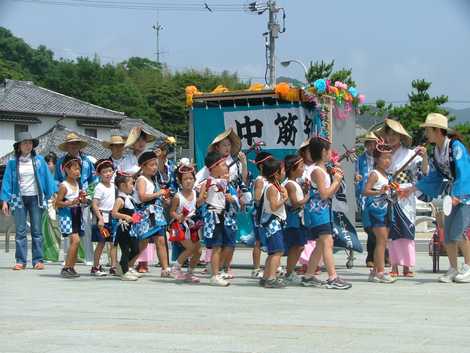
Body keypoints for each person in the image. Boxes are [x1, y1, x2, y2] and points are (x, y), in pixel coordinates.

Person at [414, 113, 470, 283]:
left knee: (459, 233)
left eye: (428, 130)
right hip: (451, 194)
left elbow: (465, 173)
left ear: (438, 131)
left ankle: (468, 267)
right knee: (448, 235)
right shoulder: (437, 151)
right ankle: (453, 268)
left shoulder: (456, 147)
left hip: (464, 195)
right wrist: (414, 188)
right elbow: (435, 177)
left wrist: (458, 196)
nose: (426, 134)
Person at [376, 118, 428, 277]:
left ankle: (407, 266)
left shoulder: (411, 154)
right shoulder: (382, 153)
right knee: (392, 231)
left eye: (394, 134)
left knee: (407, 229)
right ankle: (394, 265)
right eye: (388, 134)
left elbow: (424, 173)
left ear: (400, 136)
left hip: (406, 194)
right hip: (390, 195)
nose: (390, 137)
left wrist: (424, 157)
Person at [196, 128, 247, 279]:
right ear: (217, 147)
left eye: (229, 145)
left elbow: (242, 181)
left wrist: (243, 163)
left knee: (230, 240)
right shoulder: (211, 166)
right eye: (224, 145)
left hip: (230, 205)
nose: (227, 148)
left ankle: (224, 266)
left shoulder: (235, 163)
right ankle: (215, 268)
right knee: (216, 242)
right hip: (215, 208)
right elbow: (199, 184)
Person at [1, 132, 56, 270]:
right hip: (18, 198)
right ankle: (20, 260)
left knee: (37, 231)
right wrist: (5, 201)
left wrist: (52, 194)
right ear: (19, 146)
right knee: (20, 231)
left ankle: (38, 260)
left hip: (36, 198)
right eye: (24, 143)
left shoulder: (39, 160)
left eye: (30, 143)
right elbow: (7, 181)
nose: (28, 145)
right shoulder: (13, 162)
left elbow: (48, 178)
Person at [302, 136, 352, 290]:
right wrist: (336, 180)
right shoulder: (317, 170)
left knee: (320, 243)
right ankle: (332, 277)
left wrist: (336, 178)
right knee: (327, 242)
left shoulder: (322, 169)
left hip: (322, 211)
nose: (331, 153)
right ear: (323, 151)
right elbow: (324, 194)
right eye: (329, 150)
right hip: (318, 211)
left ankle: (309, 275)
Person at [56, 132, 97, 266]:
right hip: (68, 196)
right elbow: (55, 179)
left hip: (83, 197)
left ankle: (89, 257)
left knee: (86, 226)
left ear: (79, 146)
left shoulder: (87, 161)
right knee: (68, 230)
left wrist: (89, 194)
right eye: (70, 144)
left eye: (75, 144)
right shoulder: (60, 162)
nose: (73, 146)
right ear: (67, 146)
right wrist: (61, 190)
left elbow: (93, 179)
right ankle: (68, 257)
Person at [199, 151, 239, 286]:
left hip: (222, 215)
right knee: (216, 246)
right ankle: (215, 275)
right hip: (213, 216)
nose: (225, 166)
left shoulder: (223, 182)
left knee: (221, 245)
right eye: (222, 164)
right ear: (213, 167)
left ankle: (216, 269)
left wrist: (230, 198)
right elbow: (199, 202)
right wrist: (203, 196)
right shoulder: (208, 182)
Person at [362, 142, 397, 283]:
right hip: (376, 210)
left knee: (382, 241)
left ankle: (376, 271)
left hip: (385, 210)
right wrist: (379, 191)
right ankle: (380, 272)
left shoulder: (386, 174)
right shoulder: (374, 174)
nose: (388, 161)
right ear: (377, 159)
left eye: (389, 158)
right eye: (384, 158)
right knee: (381, 241)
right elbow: (365, 191)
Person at [133, 151, 170, 276]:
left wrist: (163, 199)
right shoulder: (141, 179)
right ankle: (128, 265)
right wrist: (158, 194)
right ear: (143, 166)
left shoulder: (154, 180)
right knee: (143, 242)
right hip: (145, 215)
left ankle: (165, 268)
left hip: (156, 214)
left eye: (156, 165)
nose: (155, 167)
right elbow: (142, 197)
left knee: (160, 240)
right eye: (152, 165)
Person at [168, 162, 202, 283]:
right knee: (190, 248)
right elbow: (171, 212)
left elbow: (197, 204)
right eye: (185, 179)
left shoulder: (195, 193)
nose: (188, 181)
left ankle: (190, 273)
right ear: (179, 181)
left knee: (198, 251)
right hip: (179, 226)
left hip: (192, 226)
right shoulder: (178, 196)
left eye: (191, 178)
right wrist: (179, 217)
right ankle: (175, 268)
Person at [56, 155, 88, 278]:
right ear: (66, 170)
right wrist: (70, 202)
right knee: (75, 240)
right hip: (67, 216)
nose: (77, 171)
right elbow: (57, 203)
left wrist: (82, 199)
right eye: (74, 169)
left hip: (76, 214)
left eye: (78, 169)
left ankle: (71, 267)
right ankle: (66, 267)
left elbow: (79, 200)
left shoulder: (77, 183)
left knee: (75, 241)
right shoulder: (64, 185)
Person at [259, 158, 288, 288]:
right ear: (276, 173)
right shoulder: (272, 188)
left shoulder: (275, 186)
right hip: (273, 222)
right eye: (281, 170)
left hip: (274, 221)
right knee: (278, 251)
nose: (284, 172)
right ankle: (271, 278)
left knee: (273, 252)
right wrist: (284, 199)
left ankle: (266, 277)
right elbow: (275, 206)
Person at [355, 132, 383, 268]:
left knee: (381, 227)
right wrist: (356, 177)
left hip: (381, 196)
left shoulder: (381, 158)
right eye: (370, 143)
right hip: (365, 197)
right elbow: (355, 174)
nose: (372, 146)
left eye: (374, 143)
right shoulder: (360, 159)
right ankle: (372, 256)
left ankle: (379, 256)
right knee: (370, 228)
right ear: (366, 145)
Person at [282, 154, 309, 285]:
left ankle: (289, 271)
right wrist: (308, 197)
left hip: (298, 219)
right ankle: (289, 272)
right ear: (293, 168)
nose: (303, 169)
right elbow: (295, 203)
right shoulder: (290, 185)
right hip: (293, 219)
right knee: (296, 246)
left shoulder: (294, 183)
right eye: (301, 166)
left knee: (299, 246)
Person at [112, 173, 142, 281]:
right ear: (123, 186)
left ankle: (123, 266)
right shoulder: (120, 199)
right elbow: (114, 213)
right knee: (126, 250)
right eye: (131, 184)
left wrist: (137, 218)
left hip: (131, 229)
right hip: (123, 229)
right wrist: (125, 216)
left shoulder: (130, 198)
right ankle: (124, 272)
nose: (133, 186)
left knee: (135, 249)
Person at [90, 159, 117, 276]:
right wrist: (100, 218)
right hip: (102, 218)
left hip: (112, 218)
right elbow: (94, 204)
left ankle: (114, 266)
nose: (108, 174)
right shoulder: (99, 187)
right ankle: (95, 266)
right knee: (101, 243)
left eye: (110, 171)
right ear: (99, 174)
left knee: (113, 243)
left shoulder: (114, 186)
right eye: (105, 172)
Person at [250, 151, 272, 279]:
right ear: (263, 166)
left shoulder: (269, 180)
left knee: (270, 240)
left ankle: (273, 266)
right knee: (258, 241)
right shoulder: (260, 180)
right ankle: (256, 268)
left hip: (268, 214)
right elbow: (257, 198)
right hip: (260, 215)